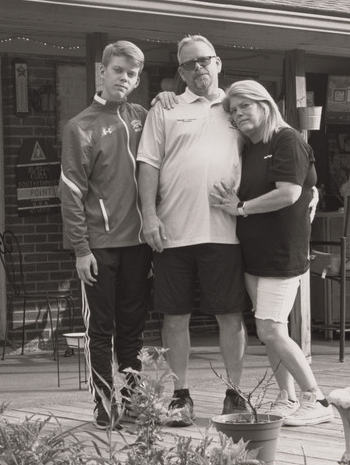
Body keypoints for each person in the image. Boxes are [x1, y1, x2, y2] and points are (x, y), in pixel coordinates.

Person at [137, 35, 249, 426]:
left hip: (226, 231)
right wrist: (149, 216)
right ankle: (179, 396)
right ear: (180, 71)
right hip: (173, 232)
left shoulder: (239, 107)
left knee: (231, 316)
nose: (198, 68)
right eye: (189, 64)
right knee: (174, 317)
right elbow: (148, 164)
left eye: (204, 61)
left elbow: (273, 145)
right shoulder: (166, 109)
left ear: (217, 62)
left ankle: (235, 395)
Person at [211, 80, 333, 425]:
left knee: (270, 330)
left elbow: (290, 193)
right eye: (233, 111)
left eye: (244, 106)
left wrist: (242, 208)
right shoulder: (250, 147)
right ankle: (287, 396)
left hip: (283, 253)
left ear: (264, 105)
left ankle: (317, 400)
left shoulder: (287, 139)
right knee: (271, 331)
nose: (238, 114)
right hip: (253, 252)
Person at [60, 41, 153, 429]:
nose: (124, 79)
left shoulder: (143, 118)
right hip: (98, 248)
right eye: (118, 70)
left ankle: (131, 401)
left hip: (139, 246)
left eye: (131, 74)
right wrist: (81, 249)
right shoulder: (80, 126)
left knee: (133, 329)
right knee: (101, 330)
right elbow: (70, 191)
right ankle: (103, 402)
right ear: (102, 72)